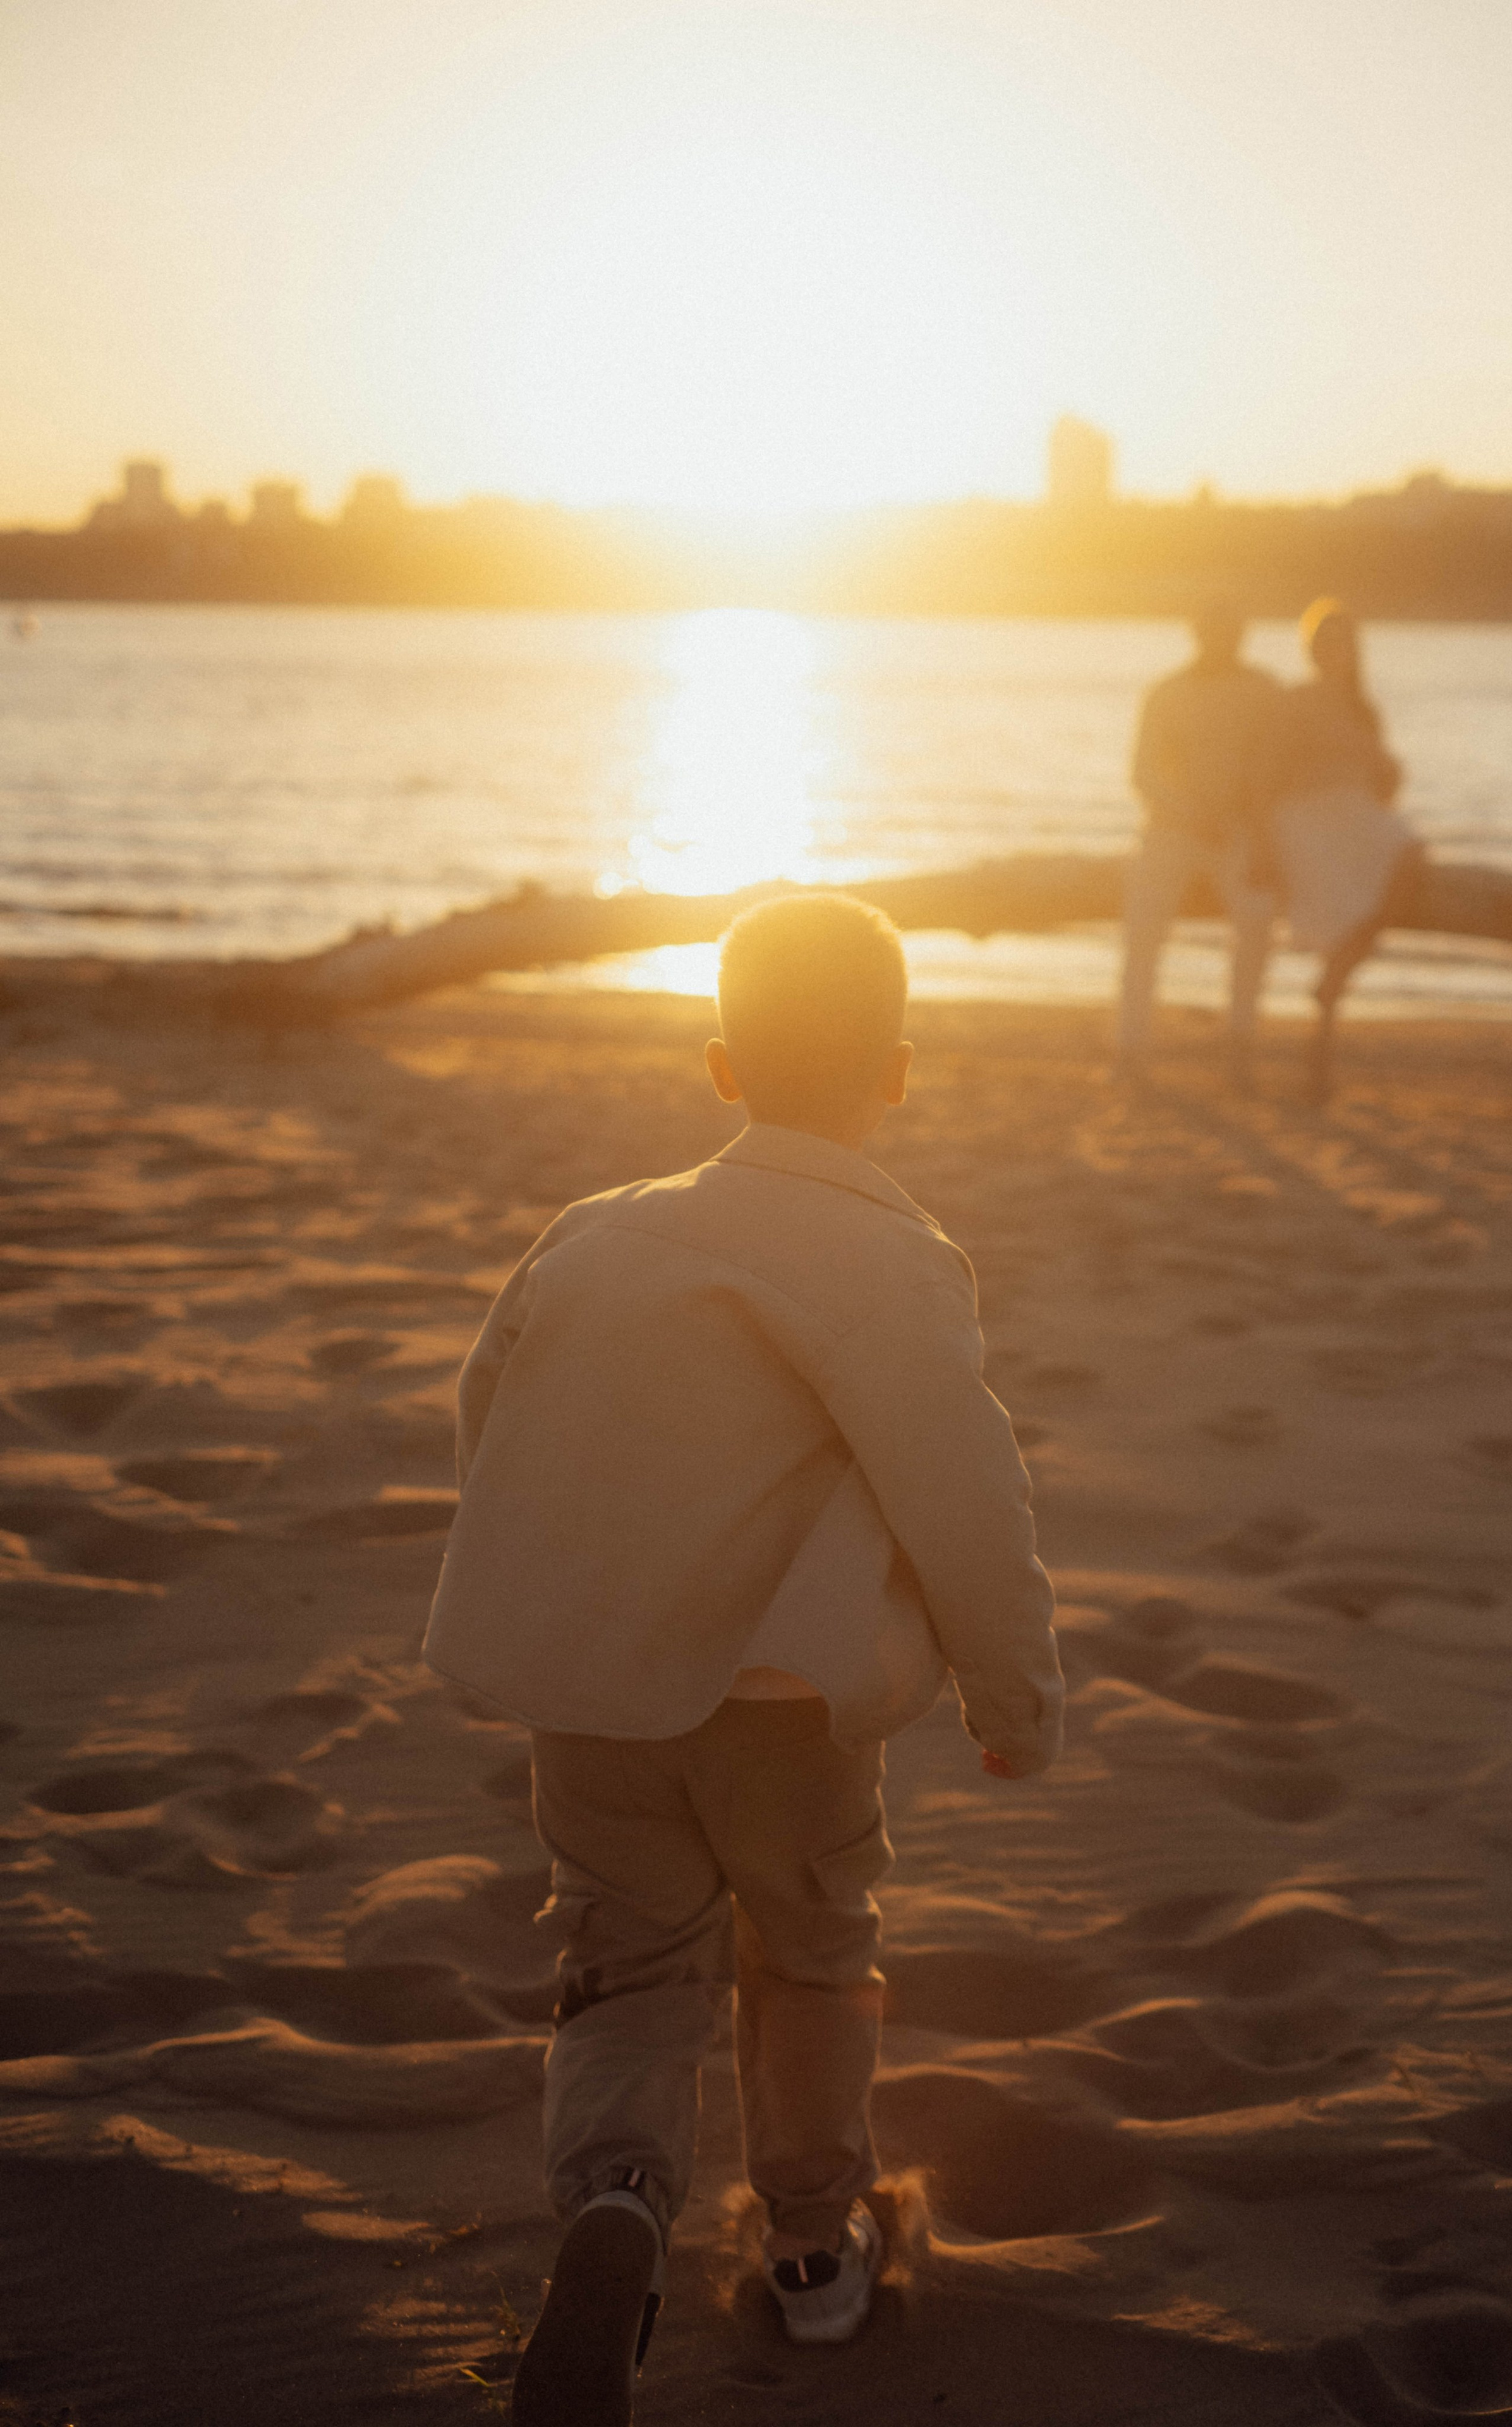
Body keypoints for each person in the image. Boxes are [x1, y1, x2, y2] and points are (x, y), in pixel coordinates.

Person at [423, 892, 1065, 2426]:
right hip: (783, 1713)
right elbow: (963, 1490)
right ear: (897, 1070)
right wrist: (1010, 1692)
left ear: (718, 1065)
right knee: (811, 1955)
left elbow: (482, 1416)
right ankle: (808, 2250)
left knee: (628, 1961)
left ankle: (618, 2206)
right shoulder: (893, 1257)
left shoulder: (593, 1231)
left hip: (593, 1697)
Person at [1115, 597, 1283, 1088]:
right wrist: (1187, 815)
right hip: (1171, 828)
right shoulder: (1166, 692)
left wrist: (1248, 822)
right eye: (1214, 628)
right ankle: (1131, 1049)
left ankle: (1240, 1043)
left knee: (1255, 924)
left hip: (1239, 830)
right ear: (1196, 632)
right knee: (1142, 927)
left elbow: (1274, 766)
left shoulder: (1264, 690)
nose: (1224, 638)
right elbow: (1143, 773)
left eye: (1233, 628)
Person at [1262, 598, 1421, 1103]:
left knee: (1409, 861)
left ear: (1356, 650)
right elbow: (1271, 775)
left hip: (1355, 815)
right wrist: (1265, 842)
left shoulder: (1364, 708)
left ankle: (1332, 987)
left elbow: (1381, 790)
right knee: (1344, 922)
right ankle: (1321, 1050)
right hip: (1308, 815)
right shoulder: (1295, 700)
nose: (1335, 651)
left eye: (1344, 643)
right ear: (1311, 648)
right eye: (1326, 641)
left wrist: (1388, 775)